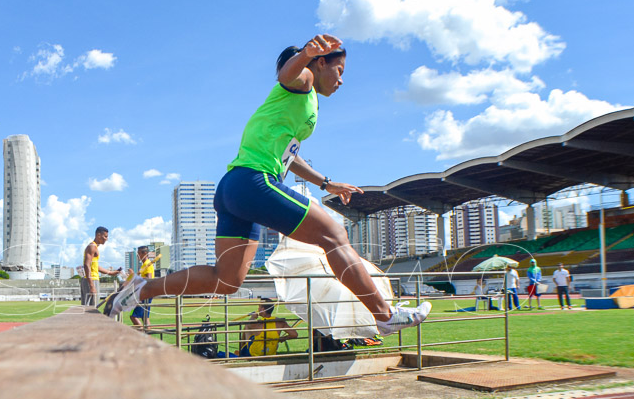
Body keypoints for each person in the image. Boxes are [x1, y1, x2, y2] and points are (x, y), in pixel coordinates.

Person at [103, 35, 430, 335]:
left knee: (227, 280)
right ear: (318, 64)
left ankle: (142, 290)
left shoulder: (299, 106)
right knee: (334, 234)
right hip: (252, 182)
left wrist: (326, 183)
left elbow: (290, 157)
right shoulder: (301, 84)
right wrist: (306, 54)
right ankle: (385, 315)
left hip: (234, 188)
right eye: (339, 70)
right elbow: (288, 75)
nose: (342, 79)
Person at [81, 226, 122, 307]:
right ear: (98, 235)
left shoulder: (95, 247)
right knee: (90, 308)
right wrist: (92, 285)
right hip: (91, 280)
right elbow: (86, 265)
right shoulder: (92, 247)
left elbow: (95, 266)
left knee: (92, 307)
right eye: (105, 236)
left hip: (93, 279)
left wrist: (110, 272)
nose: (106, 239)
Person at [128, 245, 161, 328]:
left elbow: (149, 279)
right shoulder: (144, 265)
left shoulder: (148, 264)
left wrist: (134, 276)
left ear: (145, 253)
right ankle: (148, 335)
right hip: (146, 293)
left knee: (133, 317)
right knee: (145, 317)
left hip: (146, 293)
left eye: (139, 253)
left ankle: (143, 334)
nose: (137, 256)